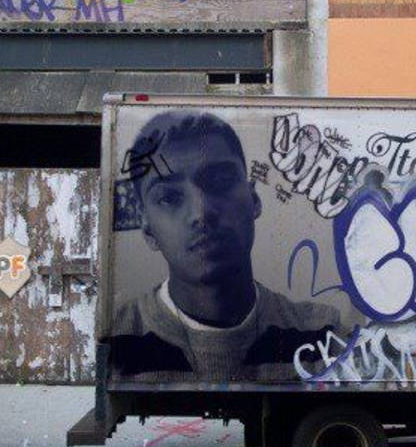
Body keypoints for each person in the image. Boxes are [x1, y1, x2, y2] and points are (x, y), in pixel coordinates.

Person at [109, 110, 339, 382]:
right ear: (148, 229)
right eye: (169, 198)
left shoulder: (323, 333)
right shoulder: (117, 338)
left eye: (219, 182)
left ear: (253, 200)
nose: (201, 213)